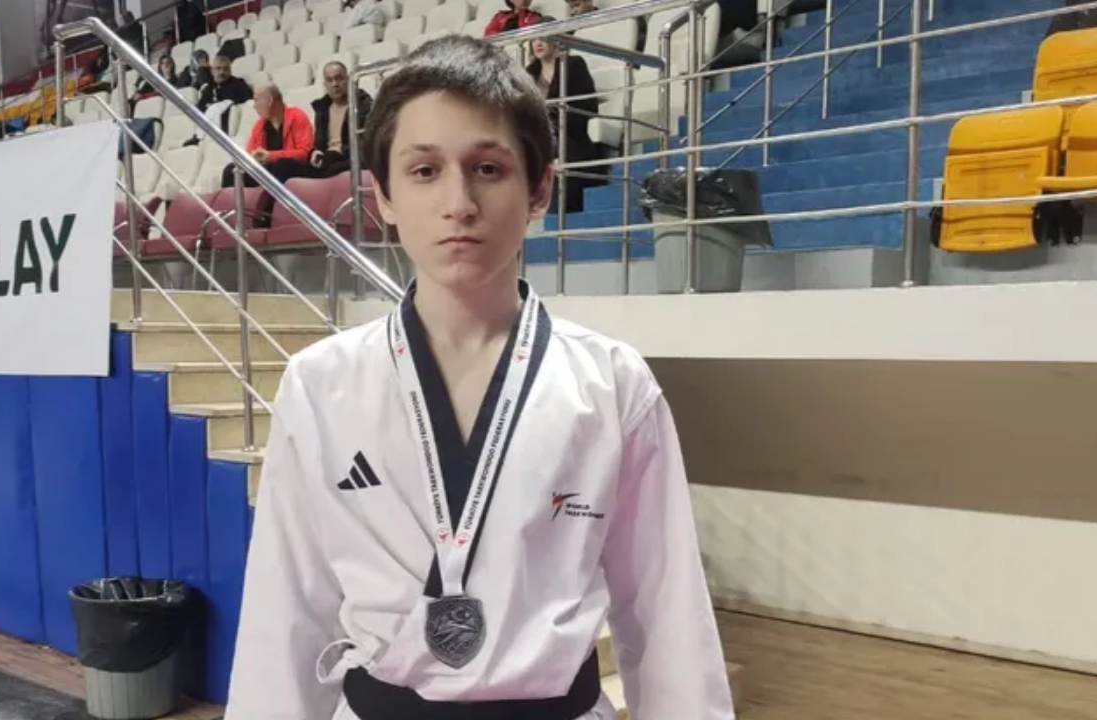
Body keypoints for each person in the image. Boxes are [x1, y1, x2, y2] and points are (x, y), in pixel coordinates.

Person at [223, 34, 735, 720]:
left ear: (539, 188)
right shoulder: (321, 385)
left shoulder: (613, 386)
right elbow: (288, 611)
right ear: (383, 196)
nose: (458, 201)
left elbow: (666, 612)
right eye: (425, 170)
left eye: (488, 168)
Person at [526, 18, 602, 213]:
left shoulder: (573, 65)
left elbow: (589, 106)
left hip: (569, 136)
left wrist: (555, 119)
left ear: (557, 39)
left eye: (544, 37)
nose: (538, 43)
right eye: (534, 38)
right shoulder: (528, 74)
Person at [221, 83, 313, 188]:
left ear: (269, 100)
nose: (254, 106)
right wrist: (253, 158)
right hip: (267, 171)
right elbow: (250, 155)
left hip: (292, 169)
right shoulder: (259, 126)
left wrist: (271, 156)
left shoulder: (297, 116)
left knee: (281, 165)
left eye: (256, 100)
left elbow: (305, 153)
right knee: (231, 171)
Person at [307, 61, 373, 179]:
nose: (335, 84)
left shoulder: (362, 104)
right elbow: (319, 144)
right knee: (285, 165)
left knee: (329, 161)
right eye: (329, 80)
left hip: (349, 159)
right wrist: (315, 152)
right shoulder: (322, 108)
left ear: (347, 80)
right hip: (326, 159)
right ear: (325, 85)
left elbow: (366, 145)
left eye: (339, 78)